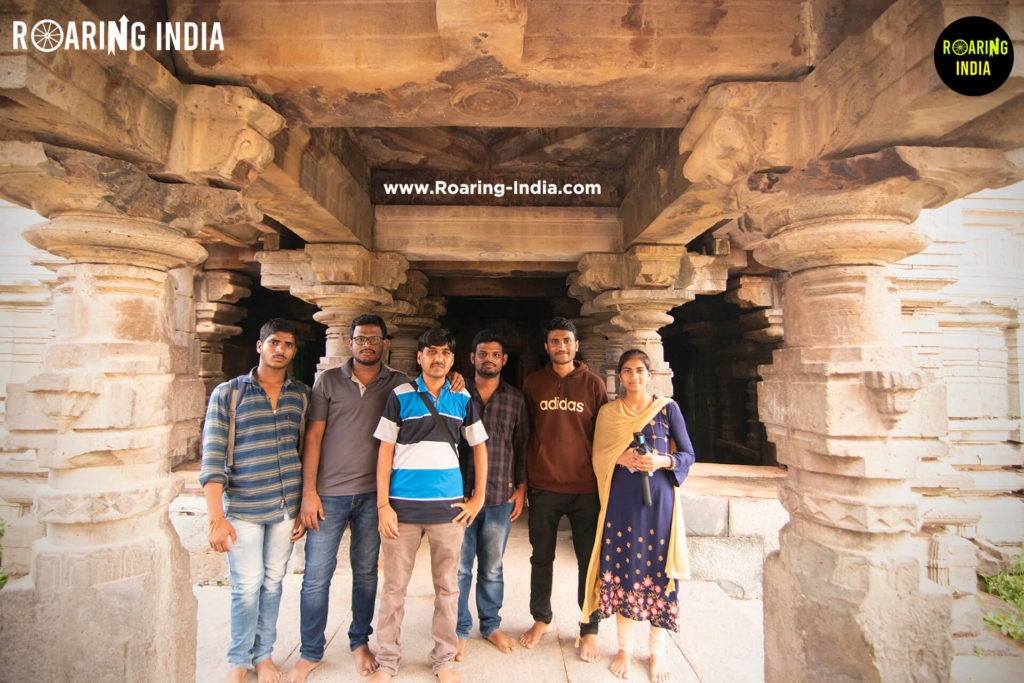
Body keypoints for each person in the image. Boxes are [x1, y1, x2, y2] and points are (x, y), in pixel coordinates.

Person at [283, 314, 408, 682]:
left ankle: (359, 641)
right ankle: (310, 651)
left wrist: (454, 378)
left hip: (374, 495)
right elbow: (314, 438)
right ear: (350, 343)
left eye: (374, 338)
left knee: (366, 573)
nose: (366, 344)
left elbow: (431, 393)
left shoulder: (399, 384)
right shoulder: (328, 381)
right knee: (316, 577)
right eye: (359, 338)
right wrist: (309, 493)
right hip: (329, 495)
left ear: (386, 343)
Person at [371, 328, 488, 683]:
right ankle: (387, 660)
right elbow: (385, 450)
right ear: (419, 357)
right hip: (402, 510)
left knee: (448, 589)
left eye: (445, 353)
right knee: (393, 589)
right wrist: (382, 506)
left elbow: (479, 447)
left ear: (453, 360)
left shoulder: (462, 398)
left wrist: (478, 498)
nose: (438, 358)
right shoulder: (400, 395)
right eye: (431, 352)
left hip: (448, 510)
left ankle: (443, 660)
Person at [200, 318, 310, 683]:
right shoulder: (229, 394)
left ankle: (263, 656)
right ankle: (239, 659)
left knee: (273, 582)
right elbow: (213, 458)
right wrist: (216, 518)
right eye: (274, 343)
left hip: (284, 507)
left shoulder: (301, 395)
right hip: (244, 507)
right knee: (246, 585)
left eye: (288, 345)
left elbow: (304, 449)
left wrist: (300, 505)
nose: (281, 350)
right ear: (259, 346)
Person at [581, 349, 695, 682]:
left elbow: (688, 453)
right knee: (623, 568)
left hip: (660, 504)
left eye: (640, 370)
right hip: (622, 504)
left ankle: (657, 651)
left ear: (650, 374)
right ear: (619, 376)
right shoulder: (608, 413)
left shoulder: (667, 409)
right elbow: (599, 455)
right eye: (628, 371)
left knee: (660, 572)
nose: (634, 377)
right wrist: (622, 457)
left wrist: (662, 461)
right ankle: (624, 649)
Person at [519, 317, 608, 662]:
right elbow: (524, 433)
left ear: (576, 344)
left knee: (589, 561)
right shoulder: (533, 383)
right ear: (546, 346)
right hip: (544, 486)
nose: (561, 347)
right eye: (555, 341)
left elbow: (605, 434)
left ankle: (589, 628)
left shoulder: (594, 385)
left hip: (586, 488)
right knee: (541, 558)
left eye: (567, 341)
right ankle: (541, 618)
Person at [454, 330, 531, 660]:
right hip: (457, 496)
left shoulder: (515, 398)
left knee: (492, 567)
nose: (489, 359)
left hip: (500, 495)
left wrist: (522, 487)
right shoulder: (455, 392)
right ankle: (458, 628)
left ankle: (490, 625)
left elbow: (522, 444)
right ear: (472, 358)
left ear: (504, 360)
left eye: (495, 354)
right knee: (458, 569)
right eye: (482, 353)